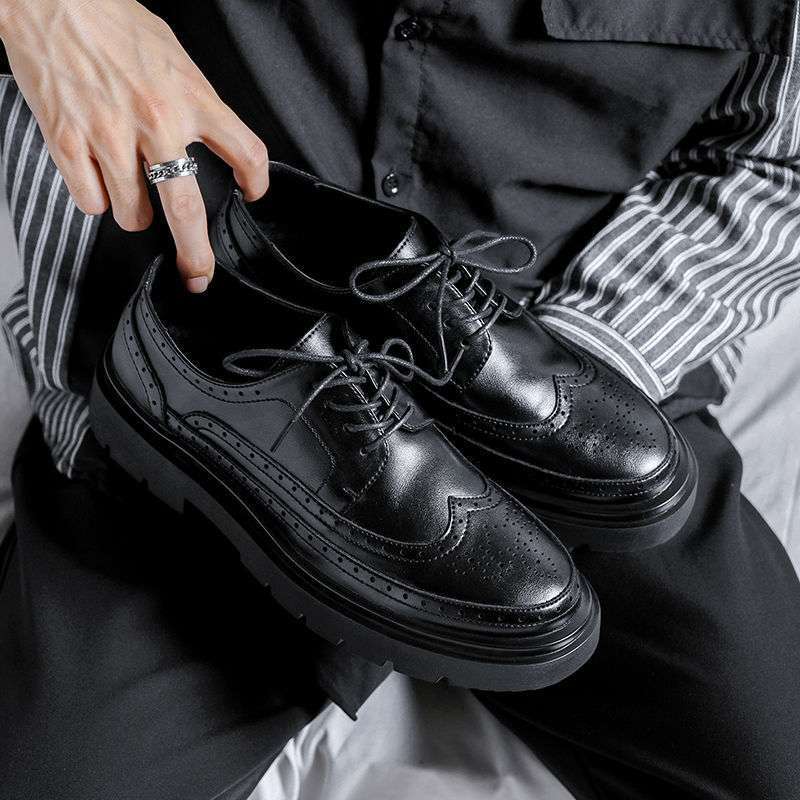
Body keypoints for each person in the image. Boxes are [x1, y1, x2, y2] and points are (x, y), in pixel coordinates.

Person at [1, 1, 799, 798]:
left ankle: (467, 371)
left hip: (559, 379)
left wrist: (577, 347)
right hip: (208, 383)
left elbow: (775, 161)